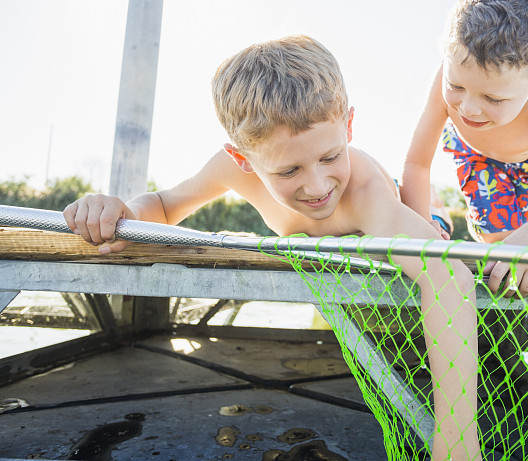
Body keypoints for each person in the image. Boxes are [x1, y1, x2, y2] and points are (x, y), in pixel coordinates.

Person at [64, 36, 481, 461]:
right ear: (242, 158)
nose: (317, 186)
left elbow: (450, 275)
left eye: (331, 156)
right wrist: (121, 211)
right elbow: (166, 206)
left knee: (433, 232)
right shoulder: (232, 168)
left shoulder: (368, 195)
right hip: (325, 251)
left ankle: (440, 216)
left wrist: (458, 439)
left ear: (349, 125)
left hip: (397, 220)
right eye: (289, 170)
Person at [401, 0, 528, 298]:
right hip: (474, 149)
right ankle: (438, 214)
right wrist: (421, 229)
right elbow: (417, 165)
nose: (468, 109)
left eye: (493, 98)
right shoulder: (447, 73)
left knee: (519, 241)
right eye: (455, 86)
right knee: (493, 235)